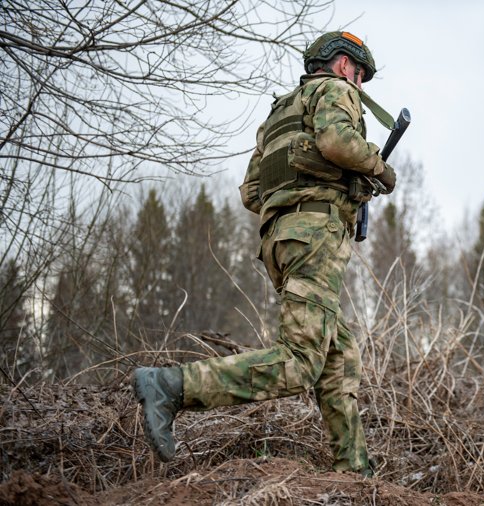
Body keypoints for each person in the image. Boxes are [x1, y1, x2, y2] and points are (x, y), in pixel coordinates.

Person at [132, 31, 397, 478]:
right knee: (300, 362)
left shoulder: (280, 112)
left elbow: (252, 193)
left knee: (339, 355)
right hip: (314, 237)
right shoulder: (335, 91)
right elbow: (337, 142)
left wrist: (304, 191)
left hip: (279, 241)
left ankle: (353, 471)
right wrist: (378, 168)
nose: (361, 86)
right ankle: (171, 386)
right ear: (344, 65)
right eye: (361, 75)